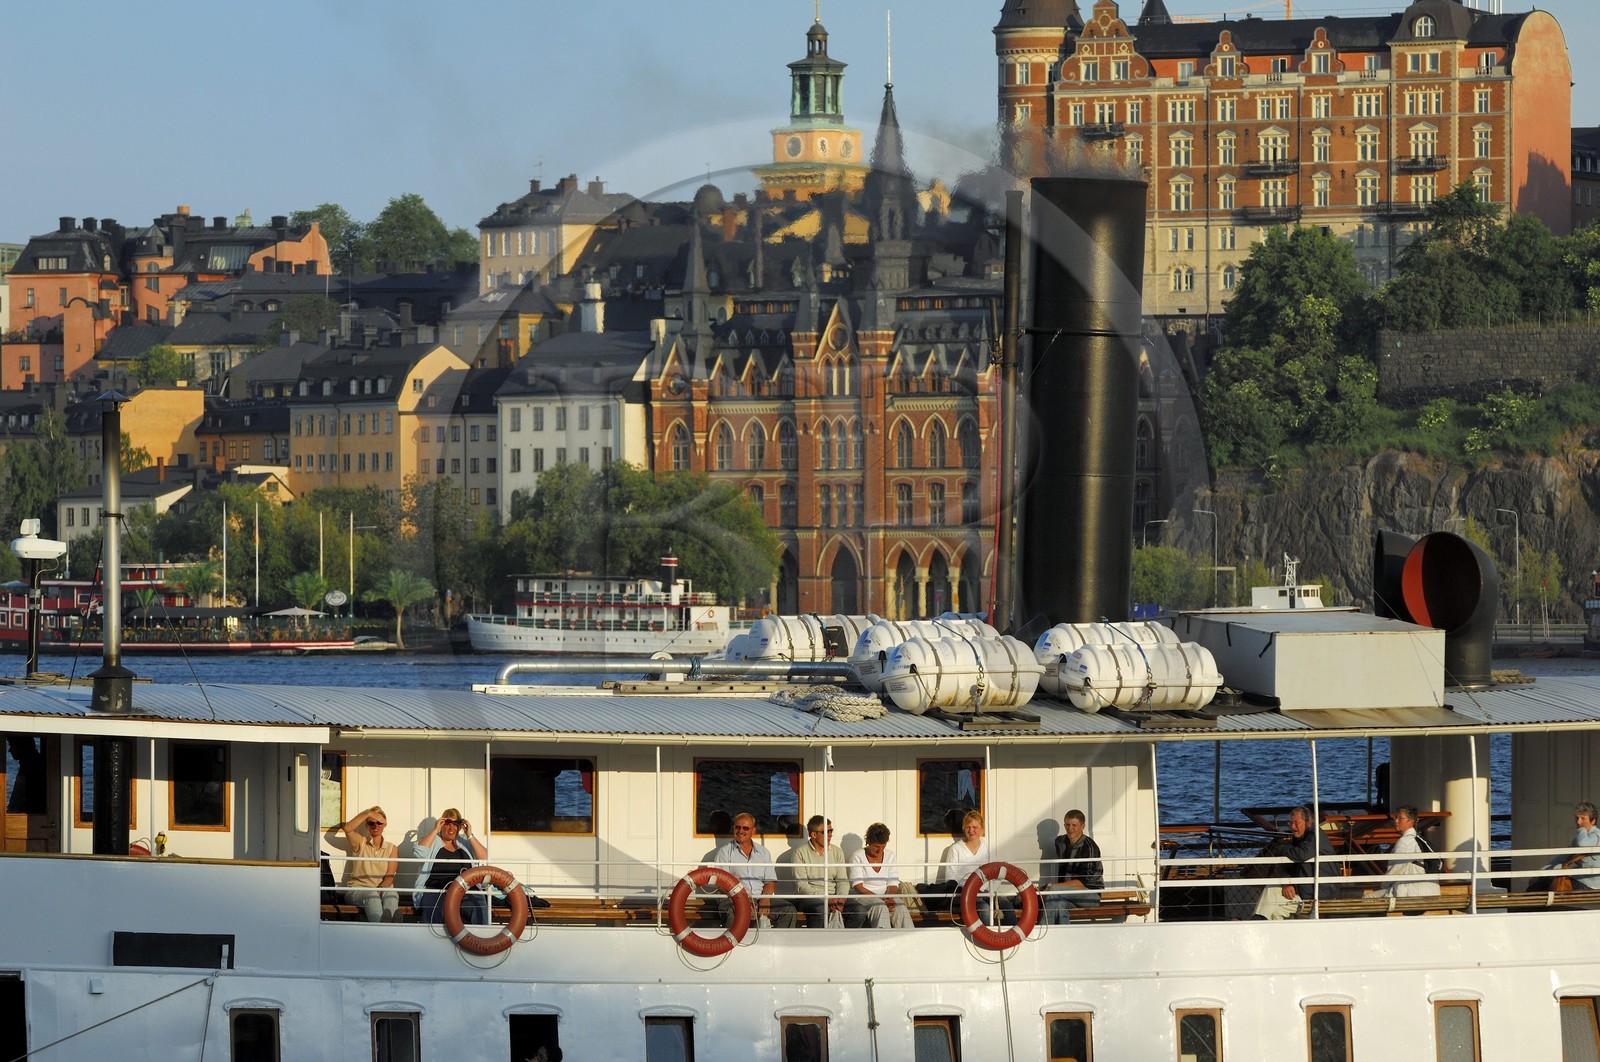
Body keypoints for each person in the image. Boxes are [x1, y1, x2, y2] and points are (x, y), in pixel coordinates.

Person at [713, 811, 796, 927]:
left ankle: (779, 939)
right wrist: (742, 899)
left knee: (788, 910)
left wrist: (765, 899)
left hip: (759, 897)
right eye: (737, 827)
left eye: (745, 828)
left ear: (753, 831)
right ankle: (734, 939)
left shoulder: (763, 852)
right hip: (733, 898)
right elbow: (721, 885)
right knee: (731, 913)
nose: (741, 831)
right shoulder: (724, 852)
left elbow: (770, 881)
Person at [1252, 805, 1336, 919]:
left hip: (1321, 892)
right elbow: (1289, 866)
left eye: (1296, 822)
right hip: (1306, 889)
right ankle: (1258, 921)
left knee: (1274, 901)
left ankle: (1256, 921)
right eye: (1290, 823)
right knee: (1273, 896)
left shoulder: (1315, 835)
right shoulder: (1300, 838)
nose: (1292, 826)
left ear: (1308, 822)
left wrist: (1281, 849)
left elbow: (1303, 854)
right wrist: (1287, 882)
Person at [416, 808, 489, 925]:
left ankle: (481, 936)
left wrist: (469, 835)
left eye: (456, 823)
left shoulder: (464, 842)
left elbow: (484, 857)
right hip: (436, 889)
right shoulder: (432, 840)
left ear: (459, 827)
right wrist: (435, 830)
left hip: (465, 890)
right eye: (447, 823)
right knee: (433, 911)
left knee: (479, 909)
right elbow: (419, 853)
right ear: (441, 824)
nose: (451, 827)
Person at [938, 809, 1013, 923]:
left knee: (1008, 907)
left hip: (987, 893)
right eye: (968, 827)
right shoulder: (955, 849)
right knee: (985, 909)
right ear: (964, 829)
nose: (971, 830)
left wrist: (988, 891)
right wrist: (971, 890)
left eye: (974, 827)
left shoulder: (988, 849)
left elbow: (996, 875)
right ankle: (987, 935)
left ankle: (1013, 935)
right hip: (966, 894)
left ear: (981, 829)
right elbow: (950, 879)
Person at [1042, 809, 1104, 924]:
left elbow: (1083, 882)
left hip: (1090, 895)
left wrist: (1053, 886)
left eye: (1074, 825)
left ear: (1082, 826)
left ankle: (1043, 930)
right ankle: (1064, 934)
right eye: (1067, 825)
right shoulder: (1060, 842)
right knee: (1059, 905)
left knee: (1053, 891)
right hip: (1066, 894)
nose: (1070, 829)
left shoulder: (1089, 847)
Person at [847, 823, 914, 929]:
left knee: (901, 908)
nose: (880, 850)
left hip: (885, 896)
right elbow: (858, 887)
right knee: (881, 907)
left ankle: (909, 937)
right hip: (862, 896)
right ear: (868, 842)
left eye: (883, 846)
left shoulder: (890, 855)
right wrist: (882, 899)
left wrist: (889, 899)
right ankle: (882, 937)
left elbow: (893, 883)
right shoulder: (857, 856)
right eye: (876, 846)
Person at [339, 804, 399, 922]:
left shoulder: (392, 848)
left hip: (382, 888)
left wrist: (380, 889)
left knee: (392, 894)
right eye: (371, 823)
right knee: (372, 895)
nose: (376, 826)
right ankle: (382, 927)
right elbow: (347, 828)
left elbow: (390, 877)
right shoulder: (360, 842)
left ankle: (391, 925)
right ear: (367, 825)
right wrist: (368, 813)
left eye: (379, 823)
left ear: (385, 824)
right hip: (358, 889)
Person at [791, 815, 848, 928]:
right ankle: (816, 939)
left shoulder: (837, 851)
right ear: (814, 835)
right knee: (821, 909)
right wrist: (826, 898)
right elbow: (802, 886)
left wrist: (841, 898)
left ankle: (848, 939)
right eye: (826, 832)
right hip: (809, 898)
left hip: (834, 897)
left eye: (831, 831)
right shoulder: (800, 853)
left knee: (858, 910)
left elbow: (843, 881)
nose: (830, 834)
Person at [1375, 805, 1440, 903]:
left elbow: (1394, 871)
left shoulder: (1405, 842)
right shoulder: (1421, 840)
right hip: (1432, 891)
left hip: (1411, 892)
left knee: (1367, 899)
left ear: (1411, 821)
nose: (1396, 821)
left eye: (1400, 818)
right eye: (1395, 818)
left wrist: (1383, 887)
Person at [1530, 801, 1600, 891]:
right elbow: (1564, 857)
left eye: (1583, 818)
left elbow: (1584, 845)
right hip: (1582, 879)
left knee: (1546, 885)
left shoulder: (1596, 835)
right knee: (1541, 881)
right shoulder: (1579, 839)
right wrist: (1541, 872)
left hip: (1592, 883)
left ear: (1593, 821)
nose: (1578, 822)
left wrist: (1582, 829)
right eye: (1577, 818)